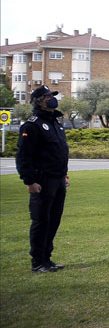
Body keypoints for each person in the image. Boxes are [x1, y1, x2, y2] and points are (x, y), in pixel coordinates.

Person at [16, 85, 69, 273]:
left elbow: (59, 151)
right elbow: (24, 156)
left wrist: (64, 174)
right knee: (41, 221)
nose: (53, 99)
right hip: (42, 180)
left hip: (58, 179)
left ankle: (47, 258)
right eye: (48, 97)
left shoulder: (55, 122)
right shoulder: (32, 125)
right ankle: (38, 262)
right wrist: (29, 181)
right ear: (39, 101)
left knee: (54, 220)